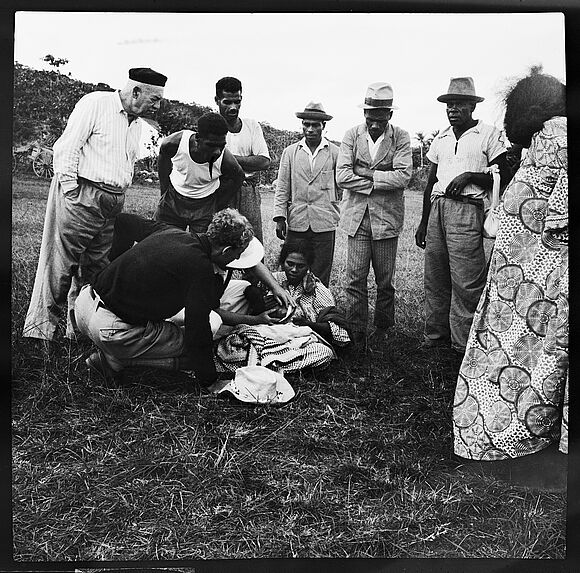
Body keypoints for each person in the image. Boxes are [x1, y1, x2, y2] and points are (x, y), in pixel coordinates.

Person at [452, 70, 568, 460]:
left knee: (516, 354)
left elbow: (557, 221)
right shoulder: (548, 138)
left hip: (535, 280)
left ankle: (504, 431)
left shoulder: (556, 134)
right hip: (523, 277)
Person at [22, 67, 167, 343]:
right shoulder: (96, 103)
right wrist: (72, 191)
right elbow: (67, 148)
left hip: (111, 203)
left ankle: (77, 330)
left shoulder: (136, 124)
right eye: (155, 98)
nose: (158, 105)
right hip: (83, 193)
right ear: (136, 91)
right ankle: (40, 332)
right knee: (60, 264)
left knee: (95, 269)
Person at [75, 209, 293, 387]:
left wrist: (116, 263)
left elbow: (124, 221)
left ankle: (116, 351)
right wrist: (210, 381)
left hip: (84, 304)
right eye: (237, 253)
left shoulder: (172, 232)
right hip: (112, 330)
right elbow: (197, 331)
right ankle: (115, 360)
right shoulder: (200, 269)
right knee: (201, 348)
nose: (238, 258)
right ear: (226, 250)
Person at [414, 77, 509, 354]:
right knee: (435, 276)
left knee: (466, 279)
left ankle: (463, 342)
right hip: (438, 209)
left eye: (458, 104)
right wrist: (423, 221)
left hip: (467, 209)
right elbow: (431, 182)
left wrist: (470, 176)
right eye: (449, 105)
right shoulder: (441, 138)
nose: (452, 109)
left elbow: (503, 174)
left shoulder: (488, 134)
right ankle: (435, 335)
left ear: (472, 106)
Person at [336, 82, 412, 346]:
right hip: (356, 218)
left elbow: (403, 176)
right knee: (354, 278)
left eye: (381, 119)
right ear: (364, 114)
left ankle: (383, 328)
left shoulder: (401, 137)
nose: (375, 124)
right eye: (371, 118)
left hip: (386, 220)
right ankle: (356, 330)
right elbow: (342, 175)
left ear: (390, 115)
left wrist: (366, 173)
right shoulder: (351, 135)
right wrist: (379, 182)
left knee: (384, 281)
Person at [214, 240, 350, 374]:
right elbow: (255, 313)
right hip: (266, 334)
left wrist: (307, 324)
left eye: (300, 266)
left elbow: (338, 330)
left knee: (323, 352)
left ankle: (262, 365)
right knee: (234, 344)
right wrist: (260, 305)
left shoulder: (317, 289)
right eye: (290, 264)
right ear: (282, 262)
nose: (294, 270)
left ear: (308, 266)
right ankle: (275, 364)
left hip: (298, 340)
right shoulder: (272, 280)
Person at [273, 102, 340, 287]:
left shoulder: (335, 153)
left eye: (315, 125)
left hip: (324, 223)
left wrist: (335, 209)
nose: (310, 129)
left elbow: (343, 186)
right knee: (293, 272)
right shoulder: (290, 153)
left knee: (320, 274)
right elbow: (282, 188)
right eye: (306, 124)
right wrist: (280, 217)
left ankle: (319, 311)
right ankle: (292, 310)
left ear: (323, 126)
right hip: (297, 222)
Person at [154, 112, 244, 233]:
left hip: (205, 206)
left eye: (221, 146)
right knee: (162, 240)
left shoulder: (226, 160)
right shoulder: (174, 143)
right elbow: (163, 158)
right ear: (197, 138)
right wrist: (164, 191)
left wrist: (218, 204)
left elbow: (238, 177)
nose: (217, 152)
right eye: (211, 145)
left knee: (200, 248)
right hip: (173, 199)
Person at [214, 76, 271, 243]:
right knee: (219, 238)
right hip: (220, 189)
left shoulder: (251, 126)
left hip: (248, 190)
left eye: (237, 102)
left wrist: (227, 158)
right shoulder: (211, 126)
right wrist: (247, 161)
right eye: (227, 102)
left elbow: (263, 161)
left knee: (252, 240)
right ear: (217, 100)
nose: (233, 107)